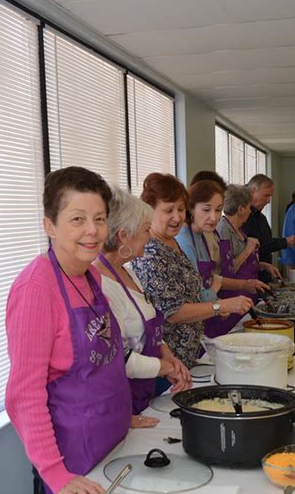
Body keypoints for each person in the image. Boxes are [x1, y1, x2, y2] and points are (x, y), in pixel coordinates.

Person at [5, 167, 132, 494]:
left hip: (113, 441)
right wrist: (55, 473)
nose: (92, 230)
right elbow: (23, 393)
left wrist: (123, 414)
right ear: (50, 226)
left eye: (99, 218)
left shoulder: (91, 273)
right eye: (77, 219)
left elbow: (104, 360)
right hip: (72, 458)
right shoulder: (36, 289)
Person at [132, 174, 252, 367]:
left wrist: (216, 304)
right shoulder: (151, 253)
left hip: (188, 354)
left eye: (180, 209)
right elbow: (173, 312)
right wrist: (220, 306)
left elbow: (191, 291)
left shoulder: (171, 241)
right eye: (168, 210)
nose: (177, 217)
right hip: (168, 361)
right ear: (149, 211)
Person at [94, 191, 191, 416]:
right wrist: (166, 368)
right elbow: (120, 359)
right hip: (124, 401)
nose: (149, 237)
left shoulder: (127, 272)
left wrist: (167, 354)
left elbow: (147, 325)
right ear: (124, 236)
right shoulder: (103, 287)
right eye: (146, 230)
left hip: (147, 390)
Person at [176, 180, 267, 336]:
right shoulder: (184, 240)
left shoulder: (203, 235)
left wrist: (245, 285)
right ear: (190, 208)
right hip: (189, 326)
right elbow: (194, 294)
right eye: (206, 210)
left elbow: (212, 279)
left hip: (208, 315)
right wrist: (220, 304)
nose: (214, 217)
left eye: (218, 210)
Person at [216, 184, 281, 296]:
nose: (251, 211)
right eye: (249, 207)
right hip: (233, 300)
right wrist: (248, 249)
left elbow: (243, 263)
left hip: (248, 298)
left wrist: (263, 265)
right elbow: (226, 272)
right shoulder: (223, 231)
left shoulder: (239, 229)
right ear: (241, 209)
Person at [241, 174, 295, 282]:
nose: (268, 201)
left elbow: (266, 244)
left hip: (263, 279)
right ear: (253, 190)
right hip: (247, 281)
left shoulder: (261, 218)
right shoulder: (241, 217)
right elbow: (257, 247)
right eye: (266, 195)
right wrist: (284, 242)